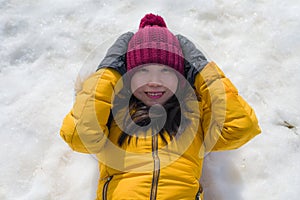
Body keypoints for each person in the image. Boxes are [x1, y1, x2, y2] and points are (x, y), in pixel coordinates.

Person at [60, 13, 261, 200]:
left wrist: (202, 71)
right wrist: (109, 71)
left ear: (181, 76)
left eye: (166, 70)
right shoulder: (113, 113)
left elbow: (240, 127)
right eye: (143, 71)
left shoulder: (193, 113)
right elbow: (79, 136)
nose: (154, 81)